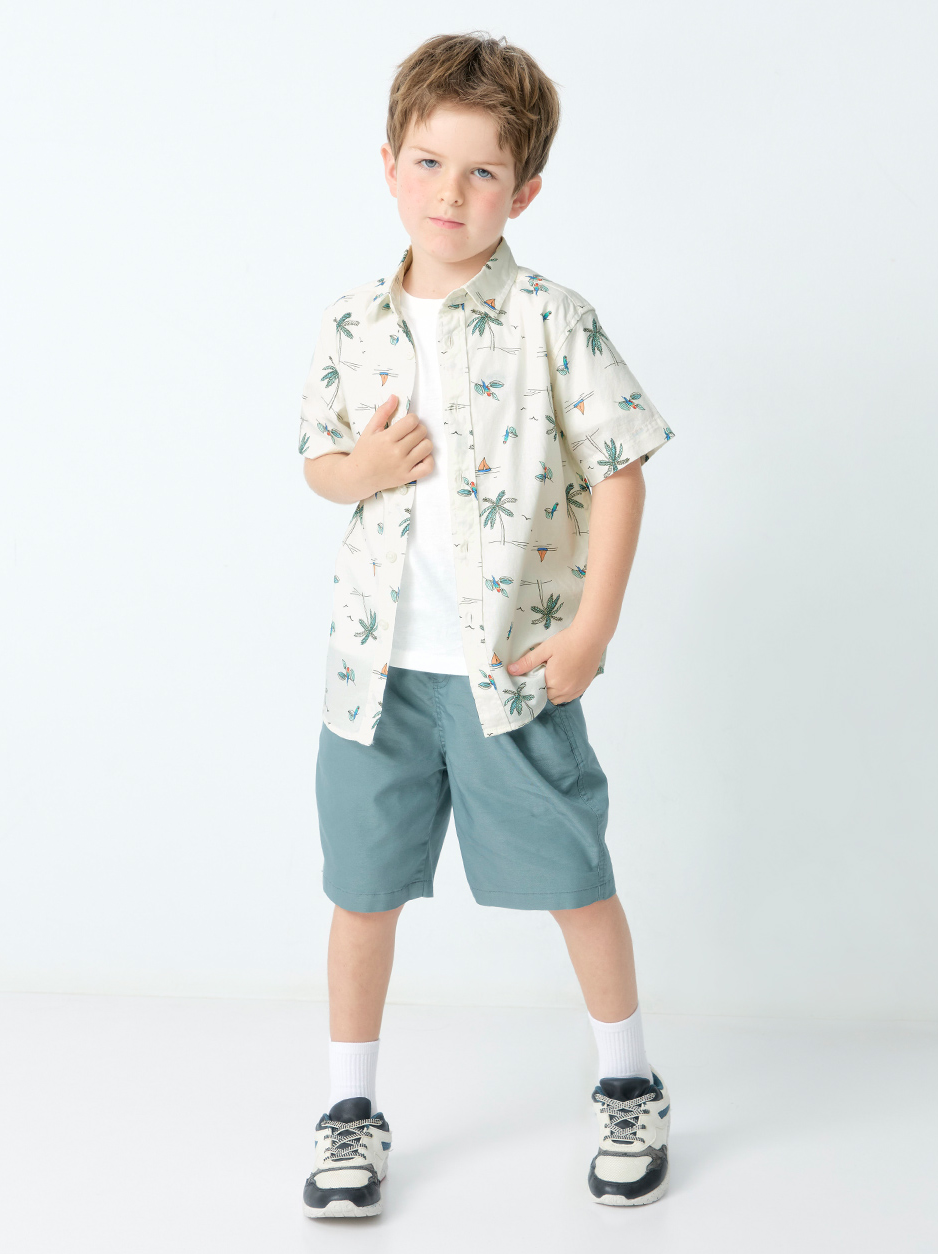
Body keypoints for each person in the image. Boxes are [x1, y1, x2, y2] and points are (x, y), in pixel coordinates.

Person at [297, 32, 676, 1218]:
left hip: (510, 668)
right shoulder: (353, 322)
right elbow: (320, 465)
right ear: (388, 165)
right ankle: (348, 1111)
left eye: (481, 173)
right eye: (427, 162)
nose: (449, 194)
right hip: (375, 676)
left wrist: (592, 629)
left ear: (525, 190)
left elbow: (621, 468)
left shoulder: (551, 319)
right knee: (361, 892)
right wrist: (361, 470)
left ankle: (628, 1081)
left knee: (575, 875)